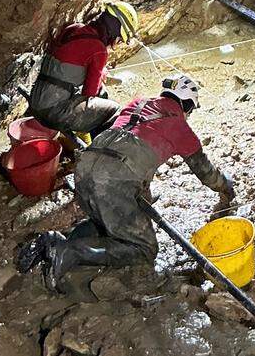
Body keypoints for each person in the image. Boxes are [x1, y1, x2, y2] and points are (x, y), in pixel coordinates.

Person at [18, 74, 235, 288]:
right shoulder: (180, 127)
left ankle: (55, 242)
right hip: (113, 180)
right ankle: (70, 252)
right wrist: (226, 187)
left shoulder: (137, 104)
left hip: (85, 167)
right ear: (187, 105)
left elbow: (130, 149)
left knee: (105, 223)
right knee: (143, 249)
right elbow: (206, 173)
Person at [26, 1, 139, 146]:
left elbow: (68, 61)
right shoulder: (99, 49)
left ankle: (81, 139)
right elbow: (89, 94)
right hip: (52, 113)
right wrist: (98, 74)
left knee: (102, 94)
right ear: (116, 30)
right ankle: (100, 151)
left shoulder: (74, 28)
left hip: (36, 101)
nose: (117, 42)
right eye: (120, 39)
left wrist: (97, 73)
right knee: (113, 110)